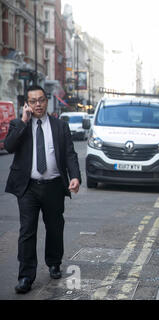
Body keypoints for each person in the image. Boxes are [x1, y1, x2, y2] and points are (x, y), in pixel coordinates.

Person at [4, 85, 81, 294]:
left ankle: (54, 262)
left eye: (41, 100)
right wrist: (23, 122)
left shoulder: (59, 126)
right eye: (33, 101)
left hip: (54, 185)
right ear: (27, 104)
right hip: (28, 187)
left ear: (47, 101)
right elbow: (9, 146)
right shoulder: (19, 124)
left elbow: (70, 154)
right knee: (27, 231)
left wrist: (74, 176)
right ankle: (26, 276)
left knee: (55, 227)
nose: (38, 104)